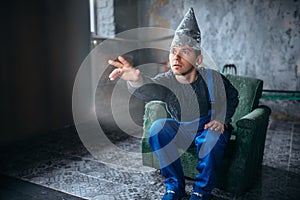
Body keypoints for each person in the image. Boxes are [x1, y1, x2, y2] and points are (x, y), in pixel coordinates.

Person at [108, 8, 239, 200]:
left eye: (184, 52)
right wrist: (136, 80)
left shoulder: (212, 78)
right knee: (157, 128)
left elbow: (232, 96)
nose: (176, 58)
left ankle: (201, 192)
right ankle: (174, 187)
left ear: (198, 58)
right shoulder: (167, 80)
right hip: (182, 128)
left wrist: (221, 119)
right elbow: (150, 88)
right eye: (173, 52)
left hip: (207, 128)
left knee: (211, 137)